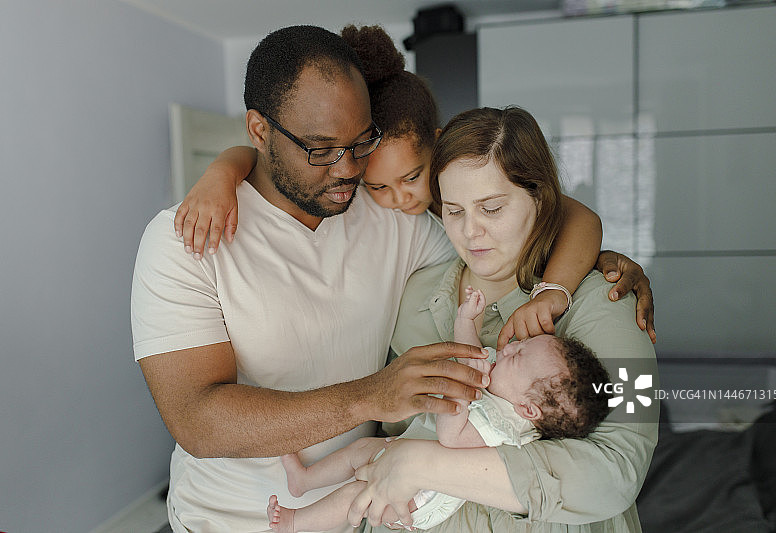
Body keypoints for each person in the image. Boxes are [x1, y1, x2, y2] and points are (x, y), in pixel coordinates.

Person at [130, 26, 623, 532]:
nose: (347, 170)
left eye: (360, 142)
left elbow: (527, 224)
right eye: (320, 149)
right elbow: (198, 421)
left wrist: (600, 265)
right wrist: (373, 395)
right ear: (258, 131)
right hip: (225, 522)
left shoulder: (387, 211)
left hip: (364, 516)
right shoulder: (186, 241)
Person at [174, 24, 657, 345]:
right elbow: (267, 156)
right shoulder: (401, 263)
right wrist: (221, 173)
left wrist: (564, 284)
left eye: (491, 209)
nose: (400, 198)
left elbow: (575, 216)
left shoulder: (602, 300)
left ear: (441, 149)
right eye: (377, 186)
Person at [343, 107, 659, 533]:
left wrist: (426, 464)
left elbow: (619, 470)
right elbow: (389, 440)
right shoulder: (412, 298)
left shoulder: (611, 299)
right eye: (454, 211)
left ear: (540, 199)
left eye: (491, 208)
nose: (470, 232)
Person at [265, 288, 611, 532]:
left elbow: (451, 437)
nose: (510, 348)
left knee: (359, 494)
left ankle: (298, 523)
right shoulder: (503, 381)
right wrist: (466, 321)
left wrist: (464, 393)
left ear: (528, 409)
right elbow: (468, 355)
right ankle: (305, 480)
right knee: (361, 450)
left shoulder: (503, 428)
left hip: (420, 497)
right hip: (403, 451)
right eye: (521, 344)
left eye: (519, 355)